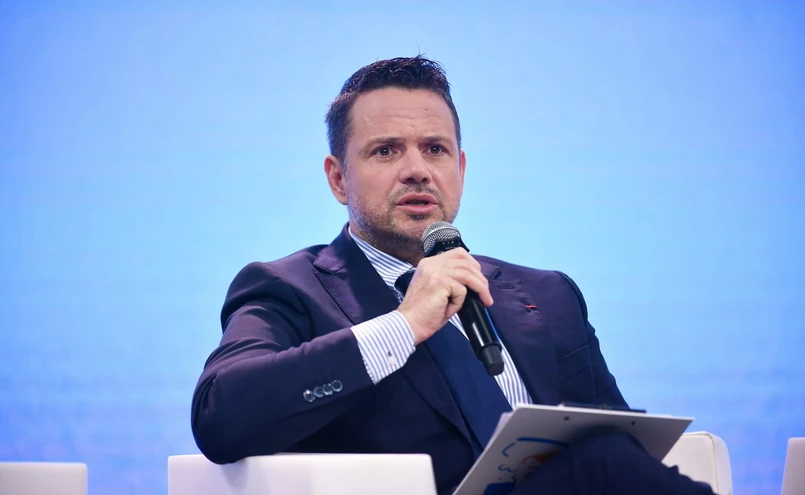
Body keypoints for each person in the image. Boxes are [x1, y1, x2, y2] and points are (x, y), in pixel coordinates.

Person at [191, 56, 714, 495]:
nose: (417, 169)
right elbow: (222, 416)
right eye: (385, 150)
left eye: (434, 149)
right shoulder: (288, 289)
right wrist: (403, 325)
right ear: (338, 179)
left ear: (460, 169)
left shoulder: (549, 295)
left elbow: (627, 451)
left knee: (609, 458)